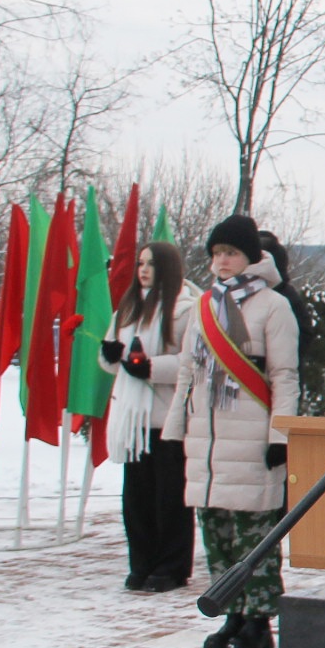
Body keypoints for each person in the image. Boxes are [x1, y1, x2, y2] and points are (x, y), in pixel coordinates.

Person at [163, 214, 301, 648]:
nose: (222, 261)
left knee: (253, 534)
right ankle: (231, 613)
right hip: (209, 439)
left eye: (231, 253)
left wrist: (280, 435)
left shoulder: (272, 305)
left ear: (250, 257)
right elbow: (188, 370)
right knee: (217, 531)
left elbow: (284, 375)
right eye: (217, 253)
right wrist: (176, 425)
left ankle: (258, 619)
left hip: (252, 435)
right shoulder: (205, 305)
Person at [99, 240, 196, 592]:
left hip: (166, 418)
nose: (143, 270)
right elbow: (113, 362)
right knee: (135, 498)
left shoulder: (185, 310)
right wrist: (110, 355)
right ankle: (141, 563)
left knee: (169, 497)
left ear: (167, 268)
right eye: (140, 263)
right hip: (132, 419)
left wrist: (150, 367)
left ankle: (171, 566)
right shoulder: (127, 310)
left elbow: (191, 362)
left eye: (151, 264)